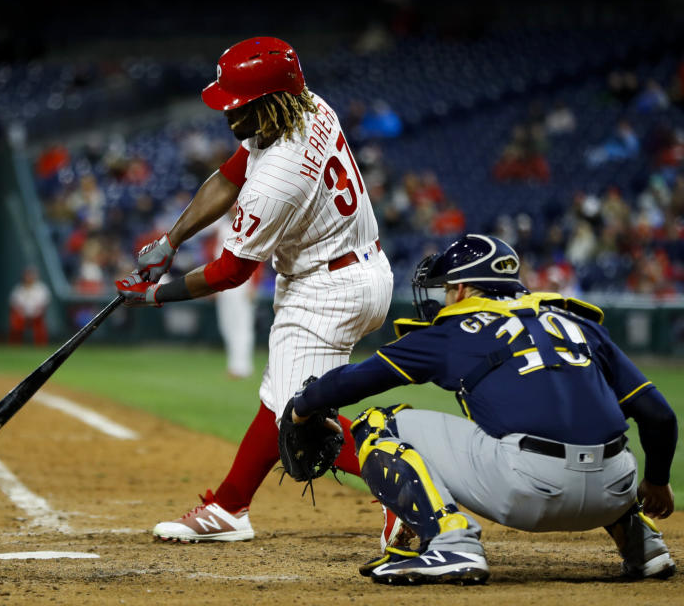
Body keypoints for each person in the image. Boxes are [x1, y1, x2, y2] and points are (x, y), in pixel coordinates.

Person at [114, 36, 393, 542]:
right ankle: (228, 507)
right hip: (358, 269)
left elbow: (230, 272)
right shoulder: (303, 105)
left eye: (235, 104)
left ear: (267, 101)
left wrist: (156, 296)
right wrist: (169, 241)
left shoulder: (280, 175)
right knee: (279, 399)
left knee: (300, 415)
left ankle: (406, 485)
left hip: (325, 288)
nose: (226, 113)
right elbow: (228, 175)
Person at [288, 233, 677, 584]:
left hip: (527, 491)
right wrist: (656, 481)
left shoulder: (456, 330)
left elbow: (355, 380)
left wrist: (301, 408)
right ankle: (644, 544)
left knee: (380, 423)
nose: (443, 297)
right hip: (615, 488)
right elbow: (659, 416)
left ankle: (450, 543)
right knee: (588, 429)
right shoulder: (577, 322)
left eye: (446, 289)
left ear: (462, 289)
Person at [212, 205, 263, 379]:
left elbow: (257, 257)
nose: (233, 211)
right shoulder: (224, 227)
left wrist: (254, 285)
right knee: (226, 325)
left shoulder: (250, 226)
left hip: (243, 283)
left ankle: (243, 367)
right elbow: (216, 257)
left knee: (242, 326)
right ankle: (234, 365)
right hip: (223, 282)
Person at [9, 265, 51, 345]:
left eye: (31, 275)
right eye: (28, 275)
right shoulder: (19, 288)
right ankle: (14, 346)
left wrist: (35, 313)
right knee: (15, 322)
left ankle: (41, 346)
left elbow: (44, 304)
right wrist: (23, 313)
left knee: (40, 327)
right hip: (21, 315)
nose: (29, 277)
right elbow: (14, 304)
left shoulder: (41, 288)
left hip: (37, 315)